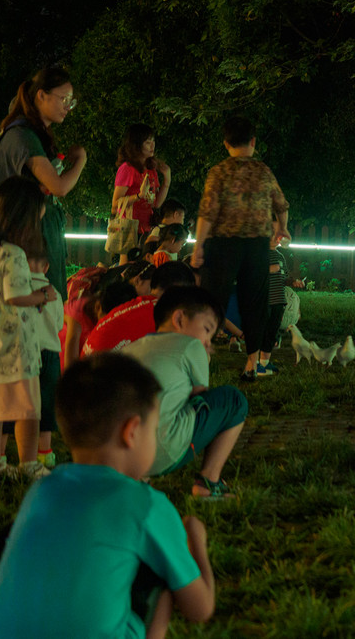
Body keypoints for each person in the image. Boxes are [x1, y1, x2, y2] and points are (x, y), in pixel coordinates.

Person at [0, 352, 216, 638]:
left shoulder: (42, 489)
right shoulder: (147, 505)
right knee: (158, 576)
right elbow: (200, 608)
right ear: (132, 431)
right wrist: (196, 539)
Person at [120, 286, 247, 498]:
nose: (207, 342)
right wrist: (204, 358)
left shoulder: (131, 349)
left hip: (123, 458)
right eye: (207, 330)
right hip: (163, 451)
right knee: (232, 400)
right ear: (179, 319)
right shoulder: (190, 346)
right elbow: (200, 398)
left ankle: (138, 480)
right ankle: (209, 481)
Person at [190, 116, 290, 382]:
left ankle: (202, 355)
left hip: (224, 243)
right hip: (256, 245)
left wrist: (198, 246)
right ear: (253, 142)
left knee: (213, 300)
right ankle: (252, 363)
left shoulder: (219, 172)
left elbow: (207, 213)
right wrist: (282, 228)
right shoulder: (263, 171)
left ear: (226, 144)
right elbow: (281, 204)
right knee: (255, 303)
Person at [0, 177, 53, 477]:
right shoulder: (14, 255)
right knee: (28, 412)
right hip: (16, 351)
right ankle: (29, 464)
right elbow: (15, 296)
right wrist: (43, 295)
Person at [0, 64, 87, 298]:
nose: (67, 107)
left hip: (32, 233)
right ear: (41, 95)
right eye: (64, 98)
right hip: (32, 236)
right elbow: (59, 187)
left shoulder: (26, 135)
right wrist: (81, 160)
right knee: (43, 312)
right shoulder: (23, 137)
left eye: (71, 101)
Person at [81, 262, 196, 356]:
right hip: (104, 378)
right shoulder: (165, 313)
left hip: (87, 373)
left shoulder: (136, 305)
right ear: (179, 290)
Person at [111, 124, 172, 265]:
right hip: (129, 227)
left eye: (153, 141)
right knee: (128, 268)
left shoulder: (151, 169)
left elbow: (156, 203)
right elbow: (115, 203)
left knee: (144, 267)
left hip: (146, 227)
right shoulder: (127, 168)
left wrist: (167, 179)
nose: (152, 146)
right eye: (147, 142)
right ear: (136, 145)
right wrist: (138, 196)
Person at [28, 253, 63, 468]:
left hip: (26, 351)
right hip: (50, 351)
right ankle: (45, 451)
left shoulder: (20, 291)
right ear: (46, 266)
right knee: (46, 401)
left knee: (24, 401)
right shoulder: (55, 293)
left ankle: (4, 450)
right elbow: (59, 325)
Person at [256, 246, 288, 376]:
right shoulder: (259, 253)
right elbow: (253, 273)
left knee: (271, 331)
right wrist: (269, 269)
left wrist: (293, 281)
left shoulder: (280, 256)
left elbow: (284, 277)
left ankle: (265, 362)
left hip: (278, 299)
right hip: (265, 299)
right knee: (261, 330)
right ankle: (255, 364)